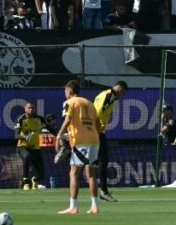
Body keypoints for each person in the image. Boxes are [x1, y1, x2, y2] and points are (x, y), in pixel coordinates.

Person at [56, 80, 104, 215]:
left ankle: (73, 207)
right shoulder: (89, 103)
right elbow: (99, 125)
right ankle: (94, 206)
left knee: (74, 173)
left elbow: (67, 119)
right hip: (94, 141)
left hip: (80, 141)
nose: (65, 94)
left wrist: (59, 135)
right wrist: (94, 136)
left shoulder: (69, 103)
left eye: (65, 91)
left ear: (70, 92)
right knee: (91, 175)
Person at [93, 80, 127, 202]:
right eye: (122, 93)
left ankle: (70, 149)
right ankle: (104, 191)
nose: (122, 95)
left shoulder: (104, 93)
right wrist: (98, 126)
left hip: (93, 129)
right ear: (120, 88)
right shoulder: (110, 96)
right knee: (103, 160)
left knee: (94, 160)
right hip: (96, 130)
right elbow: (98, 112)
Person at [15, 101, 49, 189]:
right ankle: (26, 183)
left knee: (41, 173)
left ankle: (35, 180)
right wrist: (25, 137)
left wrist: (59, 135)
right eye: (29, 108)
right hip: (23, 146)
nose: (31, 109)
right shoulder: (20, 119)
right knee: (27, 156)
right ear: (25, 109)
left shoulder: (39, 119)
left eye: (32, 108)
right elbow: (16, 135)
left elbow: (49, 128)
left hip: (35, 148)